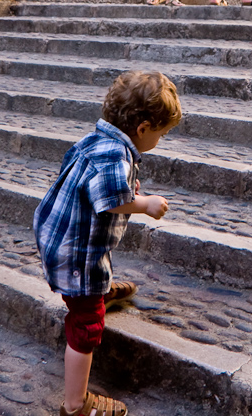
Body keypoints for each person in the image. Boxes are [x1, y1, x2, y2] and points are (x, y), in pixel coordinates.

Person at [34, 71, 180, 416]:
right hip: (75, 255)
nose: (161, 139)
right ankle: (76, 405)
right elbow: (109, 200)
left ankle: (99, 290)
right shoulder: (116, 154)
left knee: (91, 285)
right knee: (87, 326)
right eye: (162, 133)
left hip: (58, 236)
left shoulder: (97, 139)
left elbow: (91, 182)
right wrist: (143, 204)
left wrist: (129, 189)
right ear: (143, 128)